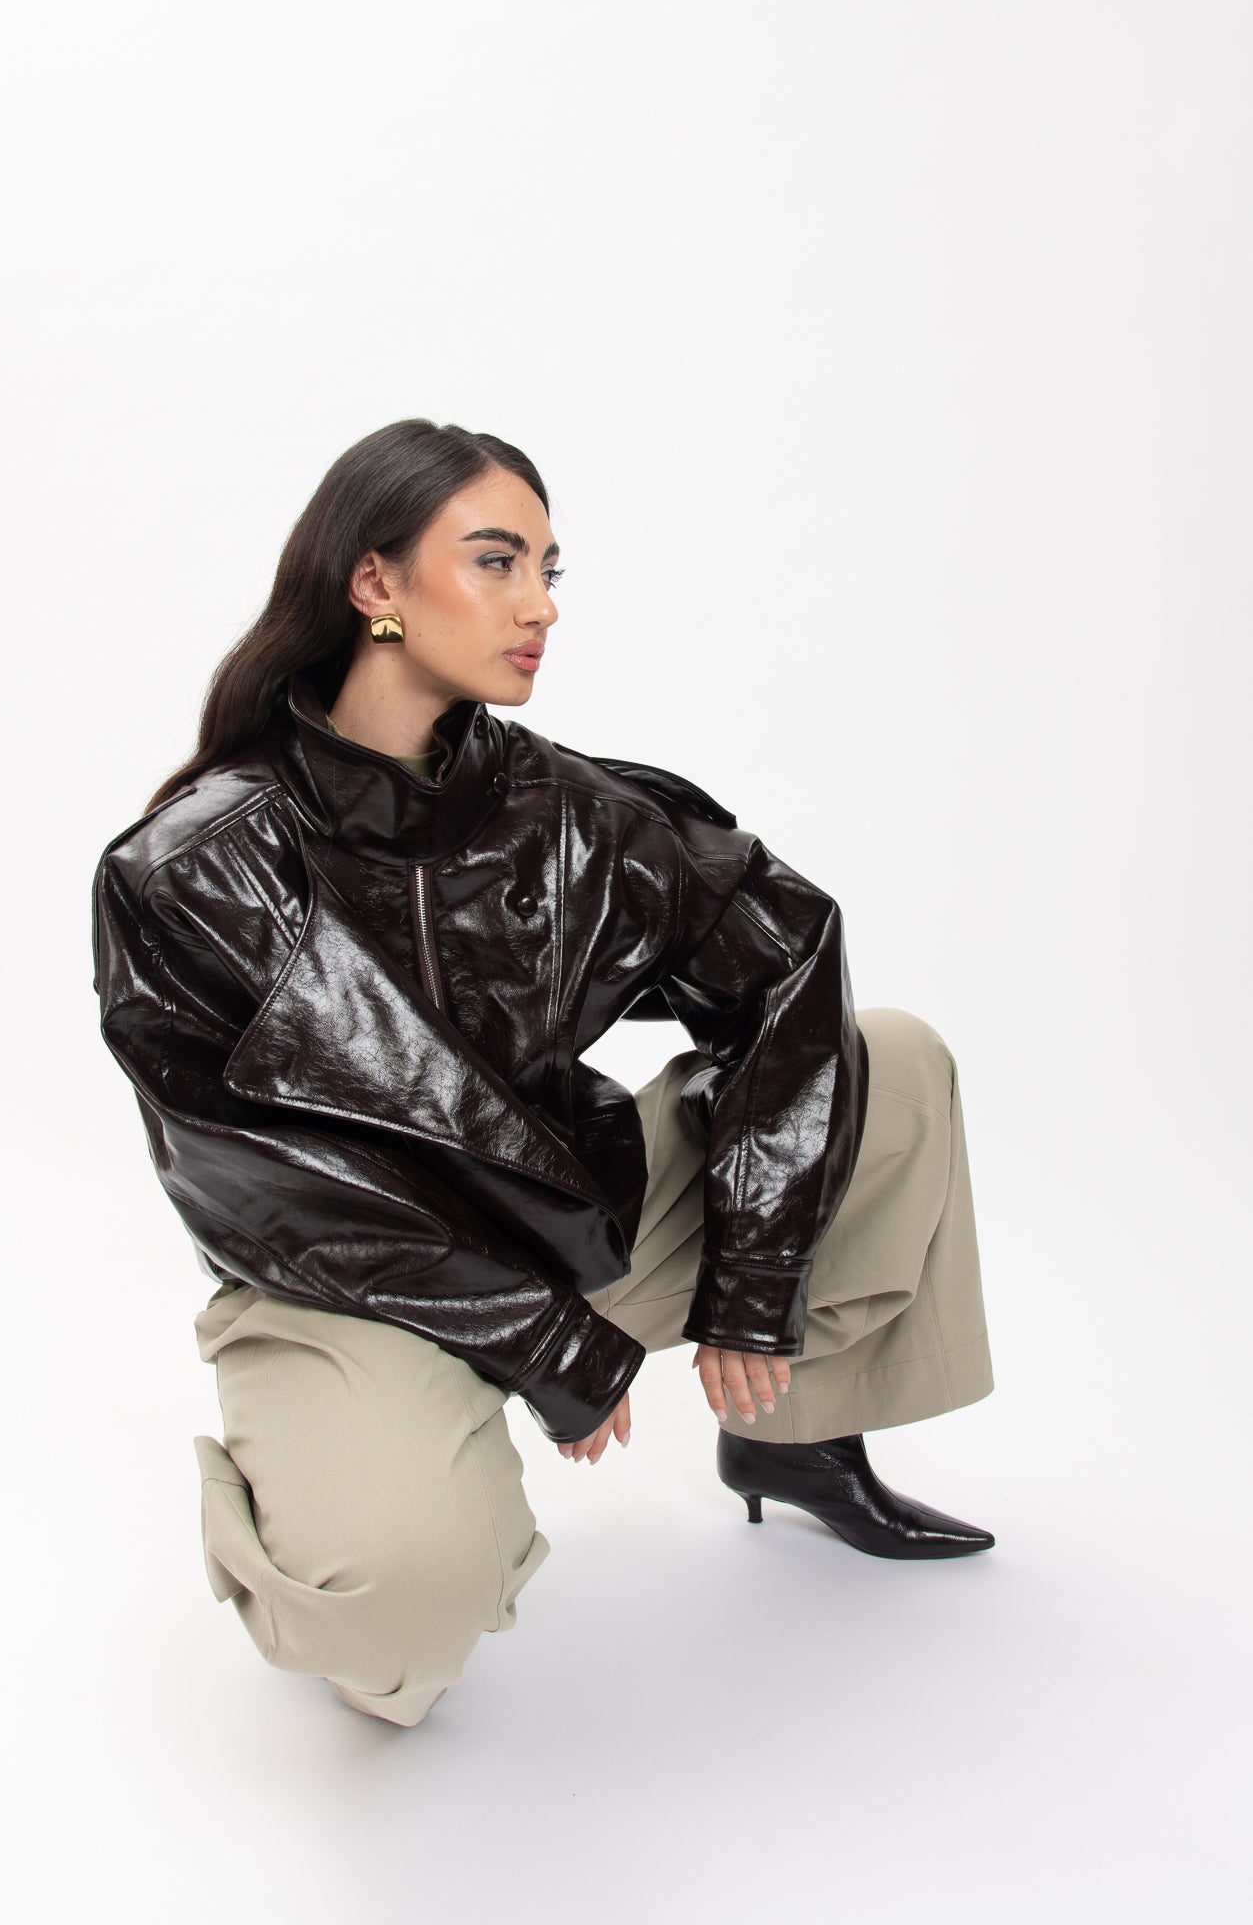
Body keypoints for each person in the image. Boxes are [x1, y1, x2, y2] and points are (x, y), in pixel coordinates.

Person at [91, 417, 996, 1730]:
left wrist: (752, 1291)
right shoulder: (196, 865)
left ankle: (791, 1437)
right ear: (375, 584)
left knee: (888, 1062)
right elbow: (249, 1178)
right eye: (497, 562)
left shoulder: (568, 810)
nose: (540, 607)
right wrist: (543, 1340)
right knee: (399, 1616)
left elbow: (786, 955)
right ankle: (326, 1515)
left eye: (548, 570)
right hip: (347, 1284)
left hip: (564, 1225)